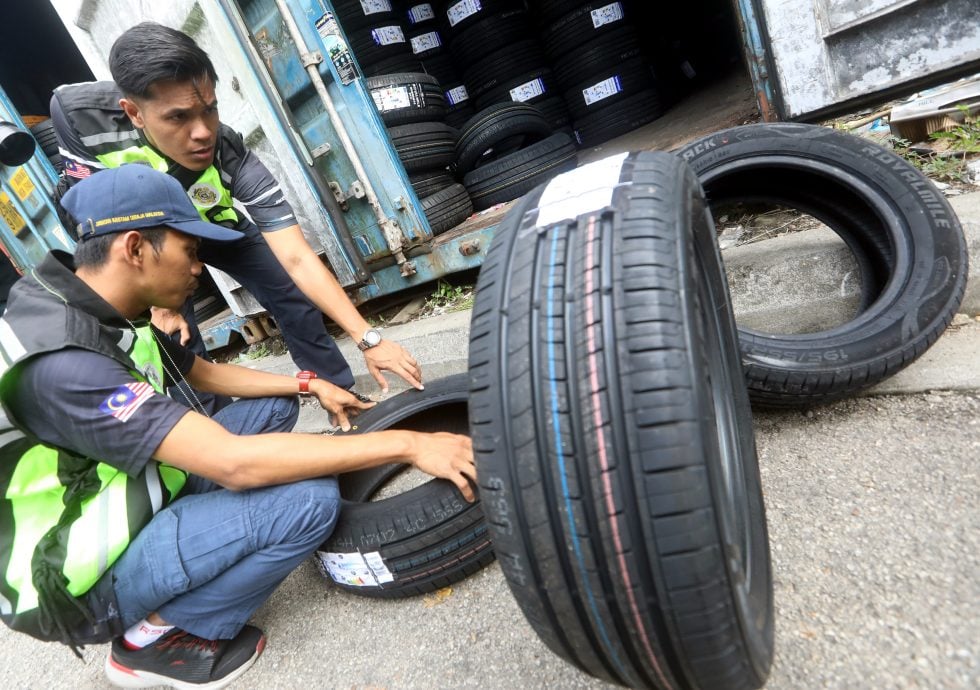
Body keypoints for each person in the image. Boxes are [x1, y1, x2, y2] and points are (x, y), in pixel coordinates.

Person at [0, 164, 475, 689]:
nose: (198, 269)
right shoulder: (65, 361)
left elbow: (201, 373)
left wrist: (308, 384)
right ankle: (156, 642)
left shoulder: (99, 301)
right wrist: (409, 444)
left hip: (123, 488)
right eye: (190, 251)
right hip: (75, 575)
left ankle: (205, 538)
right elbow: (235, 464)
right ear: (135, 249)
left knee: (274, 409)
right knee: (308, 502)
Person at [49, 21, 421, 405]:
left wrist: (368, 338)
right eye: (178, 117)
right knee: (175, 332)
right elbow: (98, 217)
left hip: (215, 223)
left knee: (290, 295)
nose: (202, 132)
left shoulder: (229, 153)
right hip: (146, 234)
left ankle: (341, 397)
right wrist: (159, 304)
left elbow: (295, 256)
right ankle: (216, 427)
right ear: (134, 113)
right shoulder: (78, 116)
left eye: (209, 110)